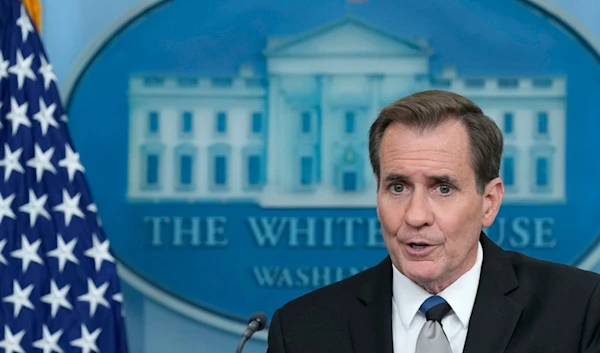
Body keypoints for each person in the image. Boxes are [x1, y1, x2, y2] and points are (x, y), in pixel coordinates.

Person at [266, 90, 600, 353]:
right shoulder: (301, 331)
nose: (416, 216)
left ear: (489, 202)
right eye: (398, 187)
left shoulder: (580, 310)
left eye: (443, 188)